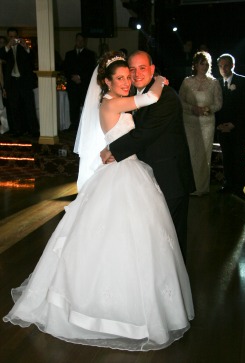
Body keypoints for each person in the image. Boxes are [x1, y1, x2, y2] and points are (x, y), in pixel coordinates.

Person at [3, 51, 194, 352]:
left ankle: (145, 300)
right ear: (106, 81)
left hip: (133, 171)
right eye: (121, 76)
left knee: (143, 241)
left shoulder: (126, 101)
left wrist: (115, 148)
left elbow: (142, 125)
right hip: (123, 174)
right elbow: (146, 104)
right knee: (117, 240)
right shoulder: (112, 102)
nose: (127, 81)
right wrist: (158, 80)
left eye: (129, 76)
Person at [100, 50, 195, 262]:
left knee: (171, 242)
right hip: (147, 176)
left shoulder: (166, 97)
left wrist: (112, 149)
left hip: (170, 179)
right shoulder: (135, 95)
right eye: (131, 69)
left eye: (142, 68)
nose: (136, 74)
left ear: (152, 69)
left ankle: (173, 290)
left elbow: (144, 134)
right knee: (154, 240)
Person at [179, 51, 222, 196]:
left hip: (206, 123)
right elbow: (180, 101)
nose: (204, 66)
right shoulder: (187, 82)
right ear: (195, 65)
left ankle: (202, 188)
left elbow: (219, 103)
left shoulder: (214, 82)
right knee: (190, 153)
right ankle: (189, 186)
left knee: (204, 154)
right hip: (189, 122)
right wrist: (192, 108)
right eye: (201, 63)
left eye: (206, 64)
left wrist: (207, 109)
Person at [216, 53, 245, 199]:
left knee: (239, 158)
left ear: (232, 66)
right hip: (222, 129)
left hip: (238, 128)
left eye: (226, 65)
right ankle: (228, 183)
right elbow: (216, 106)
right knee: (227, 157)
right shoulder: (216, 83)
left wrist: (233, 124)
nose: (223, 68)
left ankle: (240, 186)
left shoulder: (244, 82)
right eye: (221, 66)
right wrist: (219, 125)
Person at [0, 27, 39, 137]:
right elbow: (1, 56)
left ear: (18, 37)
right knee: (14, 107)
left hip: (24, 82)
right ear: (8, 37)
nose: (13, 39)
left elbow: (32, 58)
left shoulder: (23, 48)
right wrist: (8, 46)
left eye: (15, 37)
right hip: (12, 83)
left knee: (29, 106)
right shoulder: (5, 49)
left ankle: (34, 130)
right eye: (11, 37)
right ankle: (17, 130)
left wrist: (25, 46)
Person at [63, 33, 96, 131]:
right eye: (78, 40)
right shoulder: (69, 54)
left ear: (85, 42)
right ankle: (74, 125)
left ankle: (86, 126)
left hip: (84, 85)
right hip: (72, 85)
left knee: (86, 106)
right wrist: (72, 77)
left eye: (82, 40)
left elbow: (91, 69)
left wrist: (80, 77)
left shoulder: (90, 54)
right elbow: (66, 68)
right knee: (73, 106)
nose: (80, 42)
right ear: (75, 40)